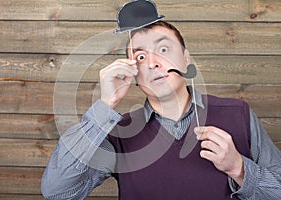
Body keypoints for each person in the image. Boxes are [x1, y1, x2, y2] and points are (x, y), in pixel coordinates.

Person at [41, 1, 281, 199]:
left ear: (186, 59)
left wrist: (239, 169)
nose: (153, 63)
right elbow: (57, 191)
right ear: (132, 71)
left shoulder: (237, 113)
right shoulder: (118, 133)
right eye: (141, 56)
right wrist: (105, 106)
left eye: (164, 50)